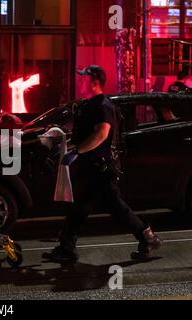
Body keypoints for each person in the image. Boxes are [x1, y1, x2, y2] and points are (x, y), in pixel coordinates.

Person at [42, 65, 162, 263]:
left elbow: (101, 134)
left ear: (94, 81)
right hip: (90, 167)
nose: (79, 81)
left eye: (83, 78)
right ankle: (66, 247)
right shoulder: (87, 105)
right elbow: (83, 136)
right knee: (79, 208)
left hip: (100, 168)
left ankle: (148, 237)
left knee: (117, 208)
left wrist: (76, 152)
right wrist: (63, 145)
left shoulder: (102, 105)